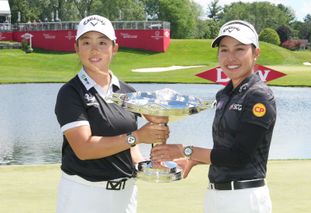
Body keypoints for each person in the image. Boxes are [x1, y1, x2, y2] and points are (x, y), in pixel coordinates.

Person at [151, 20, 277, 213]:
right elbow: (224, 149)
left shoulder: (258, 96)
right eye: (224, 50)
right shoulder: (225, 94)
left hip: (245, 198)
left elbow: (239, 157)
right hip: (216, 196)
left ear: (256, 53)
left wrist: (184, 150)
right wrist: (192, 160)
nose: (230, 57)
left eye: (239, 49)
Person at [54, 14, 169, 213]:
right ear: (76, 48)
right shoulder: (71, 92)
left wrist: (149, 164)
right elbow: (84, 148)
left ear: (114, 48)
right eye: (86, 42)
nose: (94, 49)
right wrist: (138, 137)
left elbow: (131, 151)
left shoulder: (128, 93)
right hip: (83, 195)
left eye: (102, 42)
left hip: (125, 196)